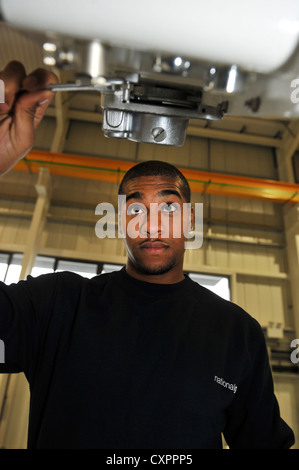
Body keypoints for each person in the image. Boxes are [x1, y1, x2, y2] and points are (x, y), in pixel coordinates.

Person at [0, 61, 295, 449]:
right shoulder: (58, 305)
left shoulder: (237, 333)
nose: (153, 225)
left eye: (169, 209)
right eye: (137, 210)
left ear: (190, 220)